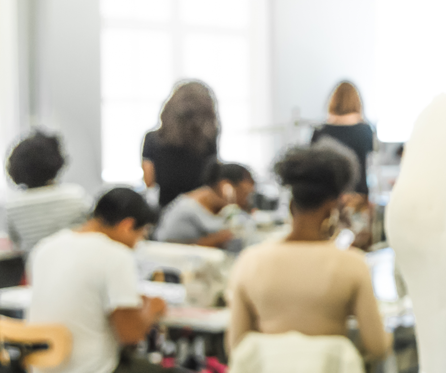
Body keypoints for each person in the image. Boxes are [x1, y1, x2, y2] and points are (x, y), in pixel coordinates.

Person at [227, 145, 389, 362]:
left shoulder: (250, 261)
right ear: (333, 207)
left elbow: (237, 346)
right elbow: (377, 346)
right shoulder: (351, 264)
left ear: (291, 205)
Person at [27, 187, 187, 373]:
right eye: (141, 235)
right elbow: (130, 335)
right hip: (93, 369)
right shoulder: (116, 255)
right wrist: (153, 308)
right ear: (127, 225)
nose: (137, 244)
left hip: (42, 366)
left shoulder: (45, 247)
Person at [4, 130, 90, 255]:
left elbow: (15, 244)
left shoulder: (13, 206)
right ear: (57, 161)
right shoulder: (75, 196)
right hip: (76, 262)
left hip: (37, 266)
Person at [143, 80, 220, 208]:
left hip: (166, 210)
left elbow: (149, 182)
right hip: (199, 208)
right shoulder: (208, 141)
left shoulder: (152, 139)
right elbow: (212, 182)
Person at [154, 161, 254, 252]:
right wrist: (216, 240)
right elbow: (165, 247)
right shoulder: (186, 209)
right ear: (226, 187)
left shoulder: (223, 210)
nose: (247, 201)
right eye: (245, 194)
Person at [310, 81, 374, 196]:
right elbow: (373, 163)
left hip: (327, 198)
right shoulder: (365, 130)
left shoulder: (320, 132)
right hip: (357, 197)